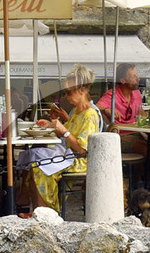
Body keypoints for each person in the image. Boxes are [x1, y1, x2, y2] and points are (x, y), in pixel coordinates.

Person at [30, 78, 100, 213]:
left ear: (82, 90)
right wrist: (50, 125)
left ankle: (48, 212)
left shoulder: (90, 115)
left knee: (39, 167)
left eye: (69, 92)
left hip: (80, 160)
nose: (66, 96)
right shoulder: (76, 112)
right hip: (69, 155)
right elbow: (65, 132)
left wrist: (64, 131)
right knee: (32, 162)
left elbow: (82, 149)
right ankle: (37, 210)